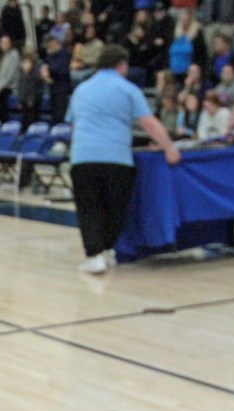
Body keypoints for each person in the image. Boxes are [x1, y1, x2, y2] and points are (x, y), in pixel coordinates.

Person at [66, 45, 181, 274]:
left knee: (89, 208)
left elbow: (75, 124)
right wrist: (169, 147)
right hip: (116, 158)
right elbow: (148, 122)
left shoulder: (82, 90)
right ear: (121, 65)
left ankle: (95, 254)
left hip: (84, 157)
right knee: (115, 208)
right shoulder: (128, 89)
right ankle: (107, 250)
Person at [41, 34, 74, 123]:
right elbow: (45, 65)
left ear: (57, 43)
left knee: (60, 115)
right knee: (54, 115)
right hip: (53, 88)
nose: (49, 46)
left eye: (51, 43)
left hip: (62, 89)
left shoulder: (64, 54)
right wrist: (44, 71)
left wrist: (48, 71)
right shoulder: (50, 55)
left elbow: (62, 70)